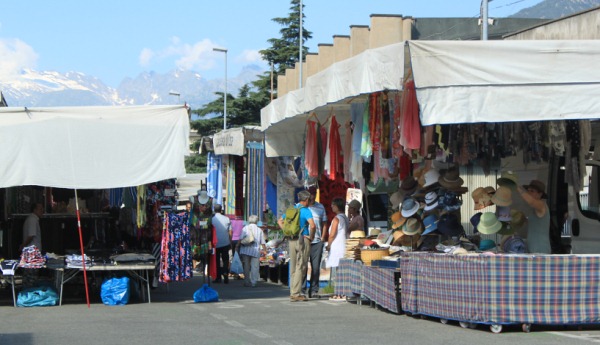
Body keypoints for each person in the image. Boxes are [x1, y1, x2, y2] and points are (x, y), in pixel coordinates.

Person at [277, 190, 315, 302]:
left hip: (291, 240)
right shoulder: (306, 211)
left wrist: (287, 231)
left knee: (293, 266)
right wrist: (311, 237)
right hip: (302, 239)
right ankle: (296, 293)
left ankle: (292, 291)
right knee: (301, 266)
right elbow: (312, 225)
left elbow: (280, 221)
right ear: (306, 199)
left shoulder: (292, 209)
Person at [303, 187, 328, 298]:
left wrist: (323, 237)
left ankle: (313, 290)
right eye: (310, 194)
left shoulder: (320, 207)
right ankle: (302, 289)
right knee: (303, 266)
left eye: (313, 194)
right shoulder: (303, 207)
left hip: (317, 241)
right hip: (304, 240)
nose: (312, 196)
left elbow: (324, 223)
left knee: (316, 267)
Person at [517, 180, 551, 254]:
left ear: (540, 194)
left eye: (532, 191)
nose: (529, 193)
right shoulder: (535, 209)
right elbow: (536, 224)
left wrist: (518, 187)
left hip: (541, 250)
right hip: (534, 250)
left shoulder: (541, 205)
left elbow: (531, 202)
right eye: (528, 191)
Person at [326, 197, 349, 300]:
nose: (331, 206)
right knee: (342, 270)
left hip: (337, 246)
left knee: (337, 271)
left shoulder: (336, 219)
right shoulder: (345, 217)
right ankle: (343, 292)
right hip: (343, 245)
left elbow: (332, 234)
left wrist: (328, 245)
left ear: (337, 206)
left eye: (333, 205)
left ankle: (338, 292)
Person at [20, 202, 44, 287]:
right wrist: (23, 245)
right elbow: (31, 235)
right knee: (31, 276)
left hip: (31, 251)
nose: (42, 211)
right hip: (32, 252)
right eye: (40, 209)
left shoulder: (32, 219)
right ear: (34, 210)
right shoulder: (33, 220)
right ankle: (29, 293)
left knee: (29, 275)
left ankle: (28, 292)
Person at [239, 215, 266, 287]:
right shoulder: (259, 230)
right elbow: (262, 242)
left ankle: (246, 281)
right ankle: (253, 282)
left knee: (246, 266)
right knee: (255, 266)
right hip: (255, 251)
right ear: (256, 221)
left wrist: (237, 247)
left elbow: (240, 239)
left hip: (245, 249)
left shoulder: (245, 228)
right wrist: (265, 250)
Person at [211, 204, 232, 284]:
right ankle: (225, 273)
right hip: (225, 242)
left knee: (216, 260)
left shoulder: (212, 219)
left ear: (214, 210)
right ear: (221, 210)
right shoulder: (227, 219)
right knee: (225, 259)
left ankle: (218, 277)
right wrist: (230, 241)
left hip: (215, 243)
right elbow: (230, 232)